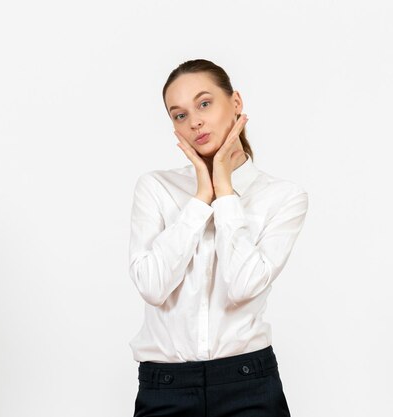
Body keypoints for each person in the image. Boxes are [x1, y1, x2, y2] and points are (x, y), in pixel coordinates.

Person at [128, 58, 308, 417]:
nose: (194, 121)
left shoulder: (283, 197)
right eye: (179, 115)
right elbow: (152, 285)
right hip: (166, 388)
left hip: (248, 385)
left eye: (204, 103)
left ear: (236, 103)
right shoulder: (156, 188)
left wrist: (224, 192)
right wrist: (200, 199)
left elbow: (243, 286)